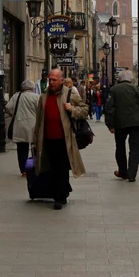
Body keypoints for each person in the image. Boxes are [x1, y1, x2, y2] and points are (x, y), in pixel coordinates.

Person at [33, 68, 88, 210]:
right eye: (50, 79)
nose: (51, 82)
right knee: (50, 168)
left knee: (62, 167)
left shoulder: (70, 93)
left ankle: (59, 197)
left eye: (54, 80)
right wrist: (35, 140)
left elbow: (84, 109)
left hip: (64, 139)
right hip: (47, 139)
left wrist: (72, 109)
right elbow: (39, 120)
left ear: (61, 81)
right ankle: (62, 190)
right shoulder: (43, 97)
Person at [105, 70, 139, 182]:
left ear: (119, 79)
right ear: (131, 79)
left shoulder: (114, 89)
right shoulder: (137, 89)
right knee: (134, 149)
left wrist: (110, 124)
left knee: (120, 147)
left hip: (119, 123)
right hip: (136, 123)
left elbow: (109, 108)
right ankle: (132, 175)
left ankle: (122, 171)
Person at [5, 79, 39, 176]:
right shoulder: (36, 97)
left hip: (20, 125)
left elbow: (7, 107)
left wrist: (13, 114)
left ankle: (23, 170)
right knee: (35, 147)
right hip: (33, 126)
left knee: (21, 149)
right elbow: (41, 110)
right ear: (32, 88)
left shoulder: (17, 96)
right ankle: (35, 167)